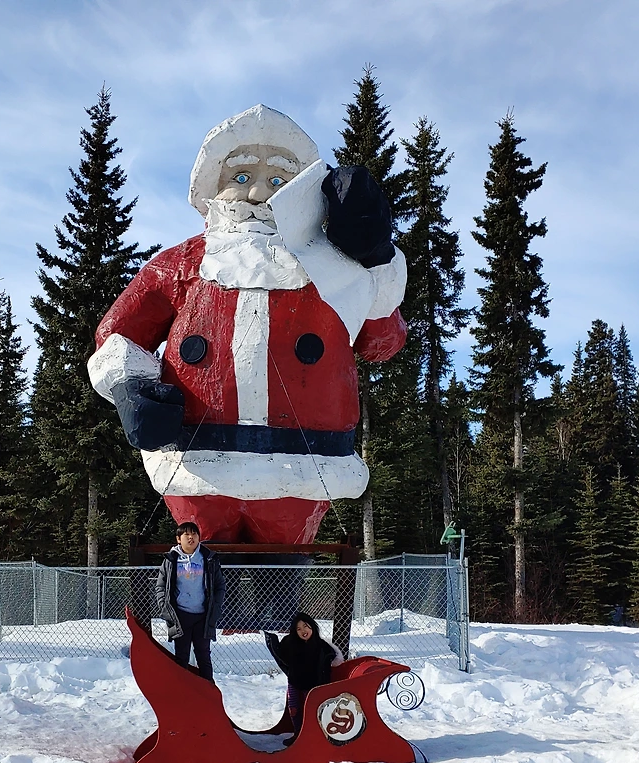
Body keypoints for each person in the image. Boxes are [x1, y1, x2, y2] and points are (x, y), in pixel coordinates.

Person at [87, 104, 407, 546]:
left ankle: (278, 594)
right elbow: (120, 333)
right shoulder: (182, 265)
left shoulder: (333, 270)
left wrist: (375, 260)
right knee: (200, 566)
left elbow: (381, 341)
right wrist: (131, 387)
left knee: (282, 569)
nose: (257, 192)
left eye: (277, 180)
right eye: (241, 176)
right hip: (198, 464)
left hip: (302, 467)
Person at [155, 521, 225, 681]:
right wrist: (165, 607)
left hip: (203, 616)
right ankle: (181, 691)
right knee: (181, 656)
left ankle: (208, 692)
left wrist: (215, 606)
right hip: (180, 616)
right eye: (186, 534)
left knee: (203, 656)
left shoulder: (209, 558)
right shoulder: (170, 560)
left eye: (194, 534)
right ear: (178, 539)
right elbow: (161, 585)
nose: (191, 537)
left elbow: (220, 585)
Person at [264, 612, 344, 743]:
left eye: (305, 626)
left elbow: (335, 659)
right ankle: (298, 734)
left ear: (312, 626)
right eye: (299, 629)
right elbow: (282, 657)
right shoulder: (291, 643)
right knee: (294, 708)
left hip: (314, 685)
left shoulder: (321, 645)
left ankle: (311, 736)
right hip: (295, 682)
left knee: (311, 709)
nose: (303, 631)